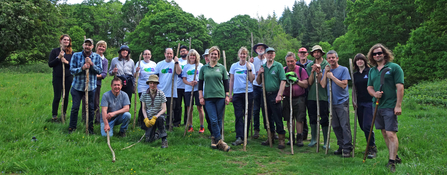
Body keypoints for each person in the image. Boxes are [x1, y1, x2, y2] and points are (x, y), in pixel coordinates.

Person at [366, 44, 404, 172]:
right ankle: (395, 156)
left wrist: (398, 105)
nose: (377, 55)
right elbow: (369, 87)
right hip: (376, 105)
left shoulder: (394, 68)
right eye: (374, 54)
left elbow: (400, 87)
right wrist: (374, 94)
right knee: (383, 132)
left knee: (390, 133)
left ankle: (392, 162)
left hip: (390, 105)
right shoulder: (372, 70)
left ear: (384, 53)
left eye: (379, 53)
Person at [321, 50, 353, 157]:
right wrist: (325, 73)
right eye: (329, 58)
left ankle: (347, 148)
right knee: (335, 126)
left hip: (341, 101)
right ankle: (341, 145)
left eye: (333, 57)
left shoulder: (343, 69)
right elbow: (323, 85)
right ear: (327, 60)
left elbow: (344, 84)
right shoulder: (327, 70)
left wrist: (332, 77)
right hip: (331, 102)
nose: (331, 60)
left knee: (345, 125)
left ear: (337, 58)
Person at [199, 46, 231, 152]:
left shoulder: (221, 68)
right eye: (212, 54)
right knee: (212, 120)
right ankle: (221, 142)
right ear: (208, 55)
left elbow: (226, 82)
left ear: (218, 56)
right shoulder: (204, 68)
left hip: (220, 96)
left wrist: (227, 95)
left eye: (215, 54)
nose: (213, 56)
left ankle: (214, 139)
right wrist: (201, 96)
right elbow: (200, 84)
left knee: (218, 119)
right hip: (208, 98)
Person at [68, 38, 102, 134]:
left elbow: (99, 71)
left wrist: (91, 65)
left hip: (91, 87)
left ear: (92, 46)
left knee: (91, 108)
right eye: (86, 44)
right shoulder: (76, 55)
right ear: (83, 45)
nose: (87, 46)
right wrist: (82, 68)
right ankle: (72, 128)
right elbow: (72, 70)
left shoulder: (97, 57)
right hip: (77, 86)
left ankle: (90, 128)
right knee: (75, 107)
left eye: (89, 45)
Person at [256, 47, 287, 149]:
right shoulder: (263, 66)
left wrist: (279, 94)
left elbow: (283, 81)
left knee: (277, 117)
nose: (270, 55)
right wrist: (260, 73)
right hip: (264, 95)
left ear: (274, 55)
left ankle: (281, 139)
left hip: (275, 94)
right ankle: (270, 137)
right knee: (266, 117)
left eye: (272, 53)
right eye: (268, 53)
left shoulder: (278, 66)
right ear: (265, 55)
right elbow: (259, 82)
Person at [352, 53, 377, 159]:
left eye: (361, 59)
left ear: (365, 61)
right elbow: (353, 89)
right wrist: (353, 100)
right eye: (357, 60)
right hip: (360, 103)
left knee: (368, 126)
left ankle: (372, 148)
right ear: (355, 62)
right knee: (362, 126)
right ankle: (369, 146)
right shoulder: (355, 75)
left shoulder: (370, 71)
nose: (359, 61)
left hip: (370, 102)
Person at [229, 47, 255, 146]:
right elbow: (231, 80)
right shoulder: (234, 66)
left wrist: (249, 69)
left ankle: (245, 136)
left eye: (244, 54)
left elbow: (252, 80)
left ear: (247, 55)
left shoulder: (250, 65)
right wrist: (230, 94)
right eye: (241, 54)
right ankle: (239, 137)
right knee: (238, 115)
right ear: (239, 55)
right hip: (237, 94)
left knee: (247, 115)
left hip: (248, 93)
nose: (243, 56)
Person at [305, 45, 330, 147]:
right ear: (312, 54)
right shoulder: (309, 65)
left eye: (318, 51)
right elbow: (310, 82)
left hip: (323, 96)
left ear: (321, 53)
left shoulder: (326, 64)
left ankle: (325, 141)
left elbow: (322, 82)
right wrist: (312, 71)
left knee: (324, 118)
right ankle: (314, 139)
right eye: (314, 52)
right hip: (312, 96)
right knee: (312, 117)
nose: (316, 53)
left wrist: (319, 72)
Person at [282, 52, 308, 147]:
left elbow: (306, 84)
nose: (290, 63)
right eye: (288, 61)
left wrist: (296, 81)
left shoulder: (301, 70)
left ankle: (299, 138)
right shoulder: (284, 70)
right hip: (287, 97)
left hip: (299, 98)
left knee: (299, 118)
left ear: (295, 61)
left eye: (292, 61)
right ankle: (291, 137)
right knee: (289, 118)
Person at [48, 34, 73, 122]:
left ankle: (63, 114)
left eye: (68, 40)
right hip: (57, 77)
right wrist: (58, 58)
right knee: (57, 96)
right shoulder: (55, 51)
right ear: (61, 41)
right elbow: (50, 64)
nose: (66, 41)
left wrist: (66, 62)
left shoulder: (71, 53)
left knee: (65, 96)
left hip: (68, 77)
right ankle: (54, 115)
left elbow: (73, 66)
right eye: (64, 40)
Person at [82, 40, 108, 123]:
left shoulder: (105, 61)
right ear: (96, 47)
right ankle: (84, 119)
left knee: (96, 102)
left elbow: (103, 74)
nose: (101, 48)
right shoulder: (89, 56)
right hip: (86, 82)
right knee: (85, 101)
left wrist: (94, 76)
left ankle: (97, 120)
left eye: (103, 47)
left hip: (97, 83)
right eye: (100, 46)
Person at [155, 48, 182, 128]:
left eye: (171, 53)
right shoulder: (159, 64)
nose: (169, 55)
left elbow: (179, 72)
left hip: (171, 91)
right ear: (165, 54)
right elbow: (156, 76)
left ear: (173, 54)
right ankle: (160, 124)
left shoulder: (175, 63)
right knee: (160, 109)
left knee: (170, 109)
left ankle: (169, 124)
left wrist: (177, 62)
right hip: (160, 91)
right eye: (168, 53)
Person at [140, 74, 169, 148]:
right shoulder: (144, 94)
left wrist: (155, 117)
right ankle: (156, 134)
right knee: (149, 140)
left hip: (159, 115)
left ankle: (164, 140)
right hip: (149, 117)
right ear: (148, 84)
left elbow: (164, 109)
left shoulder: (161, 94)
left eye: (154, 83)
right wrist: (146, 119)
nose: (152, 85)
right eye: (151, 83)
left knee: (160, 119)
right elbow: (143, 108)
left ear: (157, 84)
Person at [182, 49, 204, 133]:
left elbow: (203, 78)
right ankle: (190, 125)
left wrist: (197, 82)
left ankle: (202, 126)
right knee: (189, 108)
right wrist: (189, 83)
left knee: (199, 107)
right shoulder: (186, 66)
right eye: (191, 55)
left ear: (196, 57)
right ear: (188, 56)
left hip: (198, 90)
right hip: (188, 89)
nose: (192, 57)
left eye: (194, 55)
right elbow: (184, 79)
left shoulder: (200, 66)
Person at [250, 43, 269, 139]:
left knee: (266, 109)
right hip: (256, 87)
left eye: (262, 48)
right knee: (256, 109)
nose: (260, 49)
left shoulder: (268, 60)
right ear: (256, 50)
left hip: (266, 87)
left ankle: (269, 128)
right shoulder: (253, 61)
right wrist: (249, 63)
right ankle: (256, 130)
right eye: (258, 48)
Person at [135, 49, 157, 127]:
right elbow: (135, 76)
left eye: (149, 54)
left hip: (152, 86)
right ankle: (141, 120)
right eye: (146, 54)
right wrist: (136, 72)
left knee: (151, 103)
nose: (147, 55)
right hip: (142, 86)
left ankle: (150, 119)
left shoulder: (154, 64)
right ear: (143, 55)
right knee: (143, 103)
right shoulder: (139, 63)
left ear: (151, 55)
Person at [296, 47, 311, 140]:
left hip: (310, 91)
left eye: (304, 53)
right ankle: (303, 133)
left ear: (307, 54)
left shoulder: (311, 64)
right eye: (301, 53)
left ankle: (313, 134)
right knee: (301, 114)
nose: (302, 54)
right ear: (298, 54)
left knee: (311, 112)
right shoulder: (295, 64)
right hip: (300, 92)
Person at [177, 45, 189, 126]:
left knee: (187, 105)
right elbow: (179, 72)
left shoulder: (190, 61)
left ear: (187, 52)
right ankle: (177, 122)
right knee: (177, 105)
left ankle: (187, 122)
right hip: (178, 86)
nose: (183, 52)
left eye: (184, 50)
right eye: (181, 51)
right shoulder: (178, 61)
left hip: (187, 87)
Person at [202, 49, 213, 136]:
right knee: (208, 115)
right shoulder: (203, 68)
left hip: (216, 95)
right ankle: (212, 131)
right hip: (206, 95)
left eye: (208, 55)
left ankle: (217, 133)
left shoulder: (219, 67)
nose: (206, 58)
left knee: (215, 116)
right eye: (205, 56)